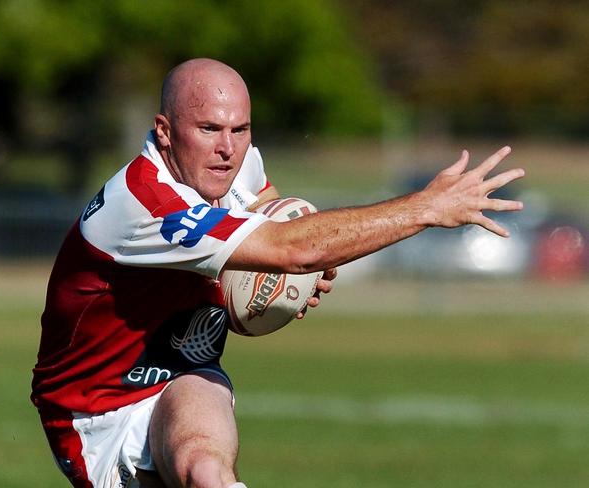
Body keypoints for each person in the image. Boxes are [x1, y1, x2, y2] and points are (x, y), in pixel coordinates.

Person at [31, 58, 525, 488]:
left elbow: (273, 218)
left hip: (181, 374)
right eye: (208, 129)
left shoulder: (231, 163)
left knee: (207, 471)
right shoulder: (145, 203)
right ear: (164, 131)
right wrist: (425, 208)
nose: (227, 148)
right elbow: (292, 247)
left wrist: (296, 278)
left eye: (240, 130)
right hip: (94, 409)